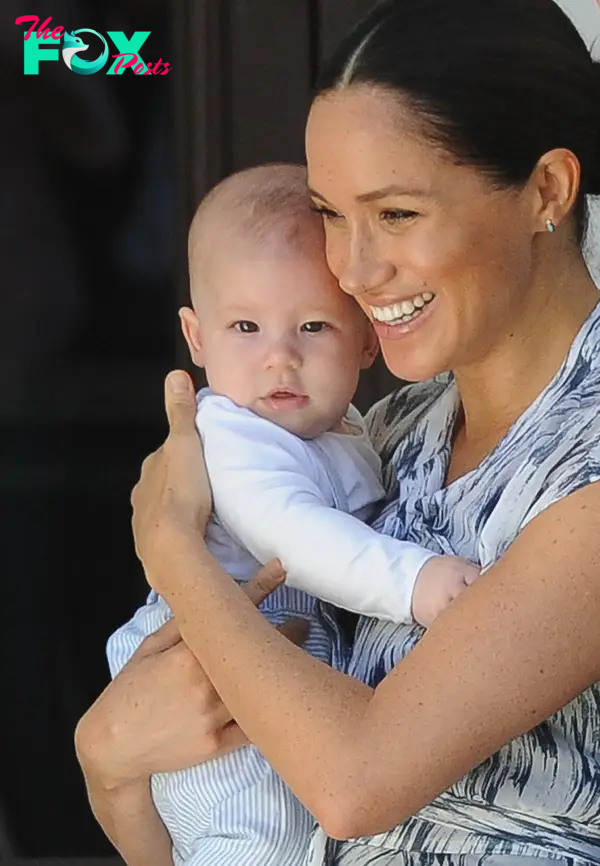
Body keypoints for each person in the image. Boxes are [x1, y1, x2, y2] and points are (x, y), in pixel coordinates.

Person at [76, 0, 600, 864]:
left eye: (395, 215)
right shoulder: (386, 435)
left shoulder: (580, 461)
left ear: (546, 190)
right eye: (329, 212)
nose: (351, 270)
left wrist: (171, 548)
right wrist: (108, 769)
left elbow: (354, 784)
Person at [102, 163, 478, 866]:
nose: (279, 358)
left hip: (274, 666)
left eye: (312, 326)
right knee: (256, 840)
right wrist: (416, 582)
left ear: (366, 340)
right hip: (204, 676)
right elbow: (297, 539)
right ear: (197, 338)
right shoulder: (233, 438)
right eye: (245, 326)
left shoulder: (352, 433)